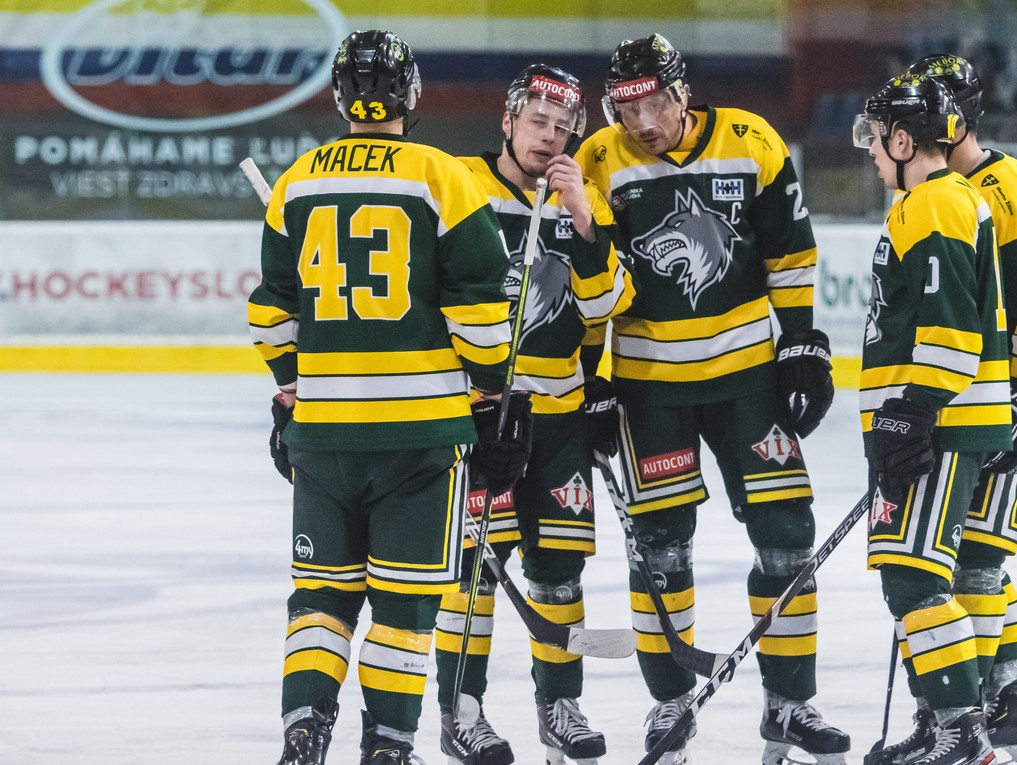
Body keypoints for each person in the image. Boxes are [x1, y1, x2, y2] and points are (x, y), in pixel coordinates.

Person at [248, 30, 531, 765]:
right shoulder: (442, 175)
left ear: (340, 97)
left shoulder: (297, 181)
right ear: (412, 94)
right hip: (419, 438)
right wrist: (493, 394)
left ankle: (305, 729)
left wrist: (292, 393)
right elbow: (480, 313)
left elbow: (271, 315)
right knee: (404, 606)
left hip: (324, 436)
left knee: (321, 599)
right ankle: (389, 747)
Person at [575, 33, 846, 765]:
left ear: (682, 92)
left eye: (654, 105)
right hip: (650, 391)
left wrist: (800, 341)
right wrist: (590, 377)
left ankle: (790, 703)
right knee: (661, 548)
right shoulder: (597, 159)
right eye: (626, 109)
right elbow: (587, 275)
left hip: (749, 382)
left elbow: (789, 249)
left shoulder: (751, 141)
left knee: (787, 535)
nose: (642, 124)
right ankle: (671, 703)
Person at [433, 63, 635, 765]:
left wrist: (583, 219)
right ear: (508, 122)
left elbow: (608, 304)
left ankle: (560, 706)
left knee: (558, 570)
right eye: (537, 122)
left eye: (562, 128)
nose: (549, 137)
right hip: (481, 415)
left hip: (557, 418)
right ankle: (461, 712)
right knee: (474, 571)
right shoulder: (460, 185)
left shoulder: (585, 199)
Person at [908, 53, 1017, 764]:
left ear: (954, 118)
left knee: (974, 565)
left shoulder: (1006, 185)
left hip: (1003, 412)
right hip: (960, 414)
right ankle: (998, 706)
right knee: (951, 565)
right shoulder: (935, 190)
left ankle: (978, 718)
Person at [853, 73, 1010, 765]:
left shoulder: (935, 202)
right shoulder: (942, 200)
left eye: (876, 137)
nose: (870, 151)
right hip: (946, 420)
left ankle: (961, 731)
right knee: (916, 574)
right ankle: (935, 724)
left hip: (943, 423)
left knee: (913, 578)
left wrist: (914, 410)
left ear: (902, 139)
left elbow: (952, 329)